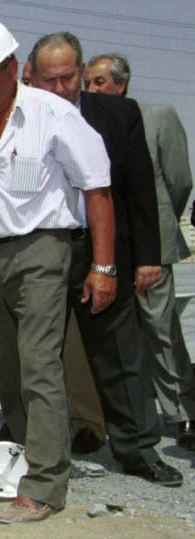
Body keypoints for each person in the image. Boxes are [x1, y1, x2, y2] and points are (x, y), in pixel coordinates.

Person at [0, 17, 115, 524]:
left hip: (42, 251)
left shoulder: (52, 116)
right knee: (8, 368)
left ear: (13, 69)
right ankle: (26, 454)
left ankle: (44, 484)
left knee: (40, 364)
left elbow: (98, 189)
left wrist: (103, 266)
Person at [29, 34, 182, 487]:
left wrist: (147, 258)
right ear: (32, 76)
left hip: (104, 250)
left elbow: (140, 190)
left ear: (80, 71)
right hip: (44, 252)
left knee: (121, 354)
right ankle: (35, 443)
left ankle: (137, 448)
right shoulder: (21, 121)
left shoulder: (118, 115)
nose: (59, 88)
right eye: (49, 79)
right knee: (37, 353)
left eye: (68, 77)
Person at [85, 53, 195, 451]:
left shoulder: (158, 116)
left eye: (99, 82)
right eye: (89, 82)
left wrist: (160, 227)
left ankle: (182, 412)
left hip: (152, 246)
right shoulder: (86, 122)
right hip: (110, 248)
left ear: (121, 83)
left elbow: (180, 180)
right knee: (122, 337)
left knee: (162, 331)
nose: (92, 89)